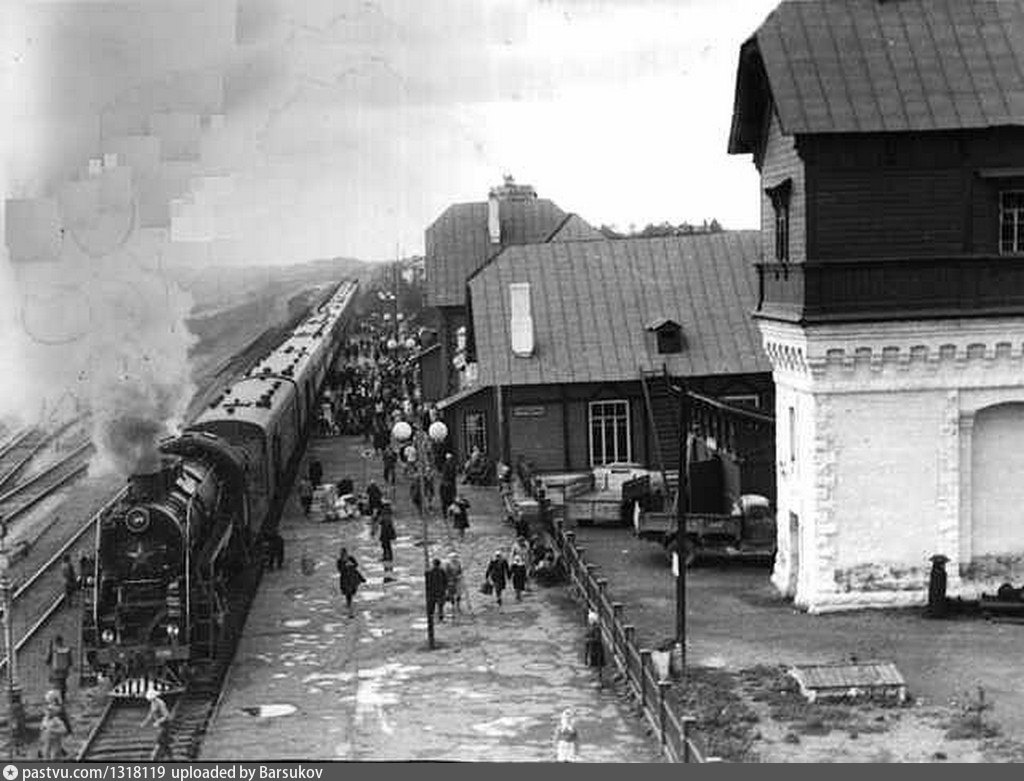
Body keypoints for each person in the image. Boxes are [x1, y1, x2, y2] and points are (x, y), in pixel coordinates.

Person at [141, 688, 173, 762]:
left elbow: (166, 716)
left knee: (160, 741)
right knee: (164, 742)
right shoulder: (153, 703)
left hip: (165, 724)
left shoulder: (160, 703)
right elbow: (151, 713)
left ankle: (155, 758)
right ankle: (170, 757)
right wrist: (145, 722)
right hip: (160, 725)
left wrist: (158, 722)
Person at [337, 548, 366, 618]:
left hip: (353, 578)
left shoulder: (351, 558)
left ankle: (350, 604)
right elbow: (340, 570)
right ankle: (349, 607)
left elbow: (356, 565)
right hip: (345, 579)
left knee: (353, 591)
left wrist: (351, 564)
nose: (344, 555)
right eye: (343, 554)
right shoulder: (339, 561)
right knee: (348, 593)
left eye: (345, 554)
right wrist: (345, 565)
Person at [46, 635, 73, 703]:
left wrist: (49, 648)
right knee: (63, 686)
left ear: (56, 642)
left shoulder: (53, 650)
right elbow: (70, 662)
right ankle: (62, 700)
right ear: (62, 641)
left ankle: (58, 703)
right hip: (64, 672)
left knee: (57, 688)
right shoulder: (67, 649)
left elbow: (47, 660)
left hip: (55, 673)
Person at [584, 611, 606, 688]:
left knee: (598, 665)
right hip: (592, 648)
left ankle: (599, 681)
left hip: (597, 649)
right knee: (594, 665)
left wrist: (589, 640)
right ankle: (596, 680)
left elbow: (597, 639)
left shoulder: (596, 628)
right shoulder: (590, 628)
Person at [443, 552, 467, 616]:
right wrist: (450, 579)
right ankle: (452, 604)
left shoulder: (458, 563)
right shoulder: (448, 564)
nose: (454, 559)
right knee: (451, 593)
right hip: (451, 580)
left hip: (458, 580)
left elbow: (460, 571)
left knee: (459, 592)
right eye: (453, 558)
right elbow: (446, 573)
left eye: (455, 557)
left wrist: (460, 575)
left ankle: (458, 605)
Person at [425, 558, 449, 623]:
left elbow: (427, 583)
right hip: (440, 591)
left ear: (433, 564)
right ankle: (440, 618)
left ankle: (431, 619)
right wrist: (445, 589)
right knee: (440, 606)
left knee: (432, 606)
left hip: (432, 592)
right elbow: (446, 581)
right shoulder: (442, 571)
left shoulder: (428, 571)